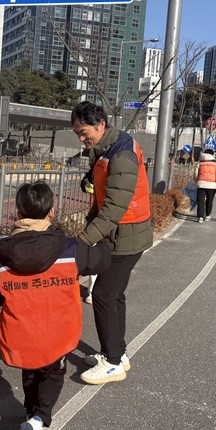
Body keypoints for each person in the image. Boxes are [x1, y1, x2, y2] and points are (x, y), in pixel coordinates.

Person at [0, 181, 111, 430]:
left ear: (18, 214)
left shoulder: (1, 259)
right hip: (59, 331)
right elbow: (101, 261)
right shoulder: (71, 249)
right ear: (51, 212)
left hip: (21, 332)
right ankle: (38, 418)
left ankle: (31, 413)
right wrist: (105, 242)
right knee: (53, 371)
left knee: (31, 368)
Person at [71, 101, 153, 385]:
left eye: (83, 132)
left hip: (125, 236)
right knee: (114, 294)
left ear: (101, 124)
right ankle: (117, 352)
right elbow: (105, 190)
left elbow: (115, 208)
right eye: (77, 134)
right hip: (121, 234)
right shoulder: (107, 147)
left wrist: (84, 240)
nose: (81, 139)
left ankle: (112, 362)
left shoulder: (121, 154)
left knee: (104, 296)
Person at [194, 148, 216, 222]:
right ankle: (207, 215)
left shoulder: (200, 163)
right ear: (212, 155)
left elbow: (195, 174)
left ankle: (200, 217)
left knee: (200, 201)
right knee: (209, 200)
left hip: (201, 184)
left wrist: (197, 181)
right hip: (212, 185)